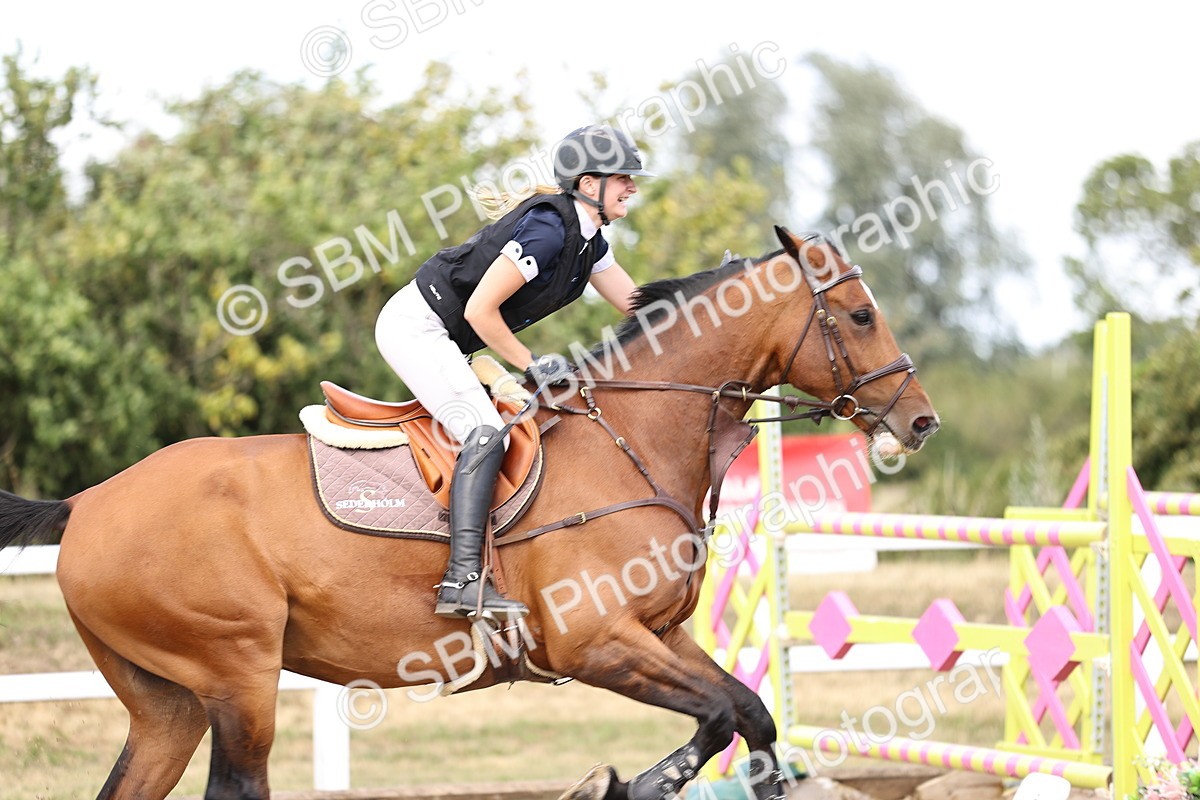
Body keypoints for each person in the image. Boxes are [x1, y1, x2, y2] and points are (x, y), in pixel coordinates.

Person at [374, 124, 653, 620]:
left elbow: (640, 307)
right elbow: (482, 311)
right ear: (590, 185)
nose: (632, 185)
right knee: (485, 433)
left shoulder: (591, 243)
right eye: (623, 177)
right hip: (416, 327)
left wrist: (708, 295)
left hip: (447, 336)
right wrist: (530, 363)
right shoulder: (548, 230)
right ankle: (461, 580)